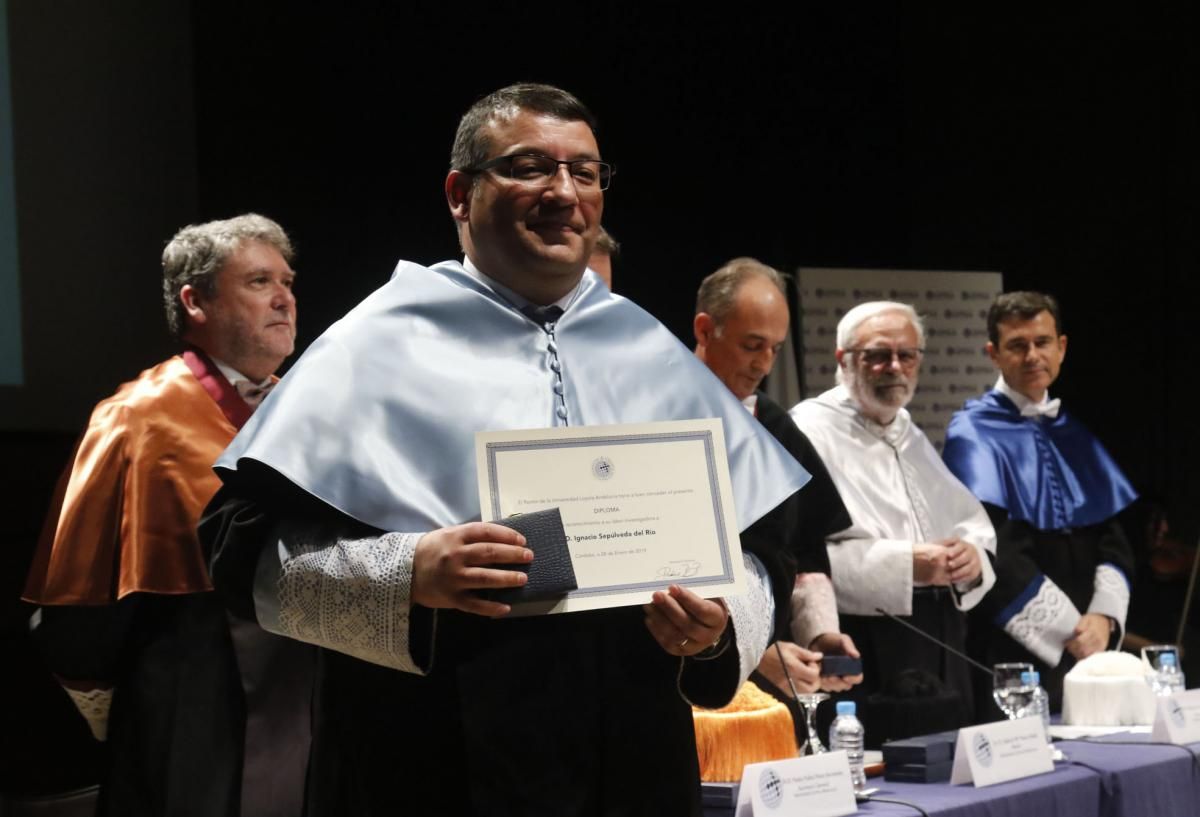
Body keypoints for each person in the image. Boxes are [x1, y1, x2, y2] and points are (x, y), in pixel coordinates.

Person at [200, 83, 810, 816]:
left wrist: (716, 626)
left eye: (584, 172)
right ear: (461, 194)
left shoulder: (648, 348)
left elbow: (765, 546)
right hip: (433, 758)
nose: (563, 192)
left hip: (634, 764)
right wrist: (407, 572)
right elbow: (239, 548)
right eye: (529, 167)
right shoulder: (376, 344)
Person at [22, 214, 313, 817]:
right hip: (191, 686)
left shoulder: (307, 403)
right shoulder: (136, 416)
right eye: (259, 282)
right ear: (195, 300)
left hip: (308, 675)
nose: (285, 296)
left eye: (287, 281)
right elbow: (80, 611)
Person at [789, 301, 996, 745]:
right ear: (843, 359)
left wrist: (972, 556)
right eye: (878, 355)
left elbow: (970, 523)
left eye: (908, 355)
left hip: (941, 637)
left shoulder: (907, 431)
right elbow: (803, 557)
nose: (895, 367)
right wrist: (907, 565)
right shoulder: (808, 430)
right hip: (868, 639)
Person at [943, 291, 1136, 712]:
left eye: (1042, 342)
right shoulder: (972, 432)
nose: (1033, 356)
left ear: (1061, 347)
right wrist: (1069, 630)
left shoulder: (1074, 430)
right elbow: (992, 545)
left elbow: (1112, 536)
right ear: (993, 354)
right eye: (1017, 345)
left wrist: (1103, 620)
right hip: (1014, 646)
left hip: (1092, 644)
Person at [692, 257, 861, 699]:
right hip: (686, 675)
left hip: (772, 676)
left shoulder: (776, 427)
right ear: (706, 330)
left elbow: (803, 549)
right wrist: (750, 648)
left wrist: (819, 635)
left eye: (775, 348)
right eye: (752, 346)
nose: (764, 364)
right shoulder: (652, 417)